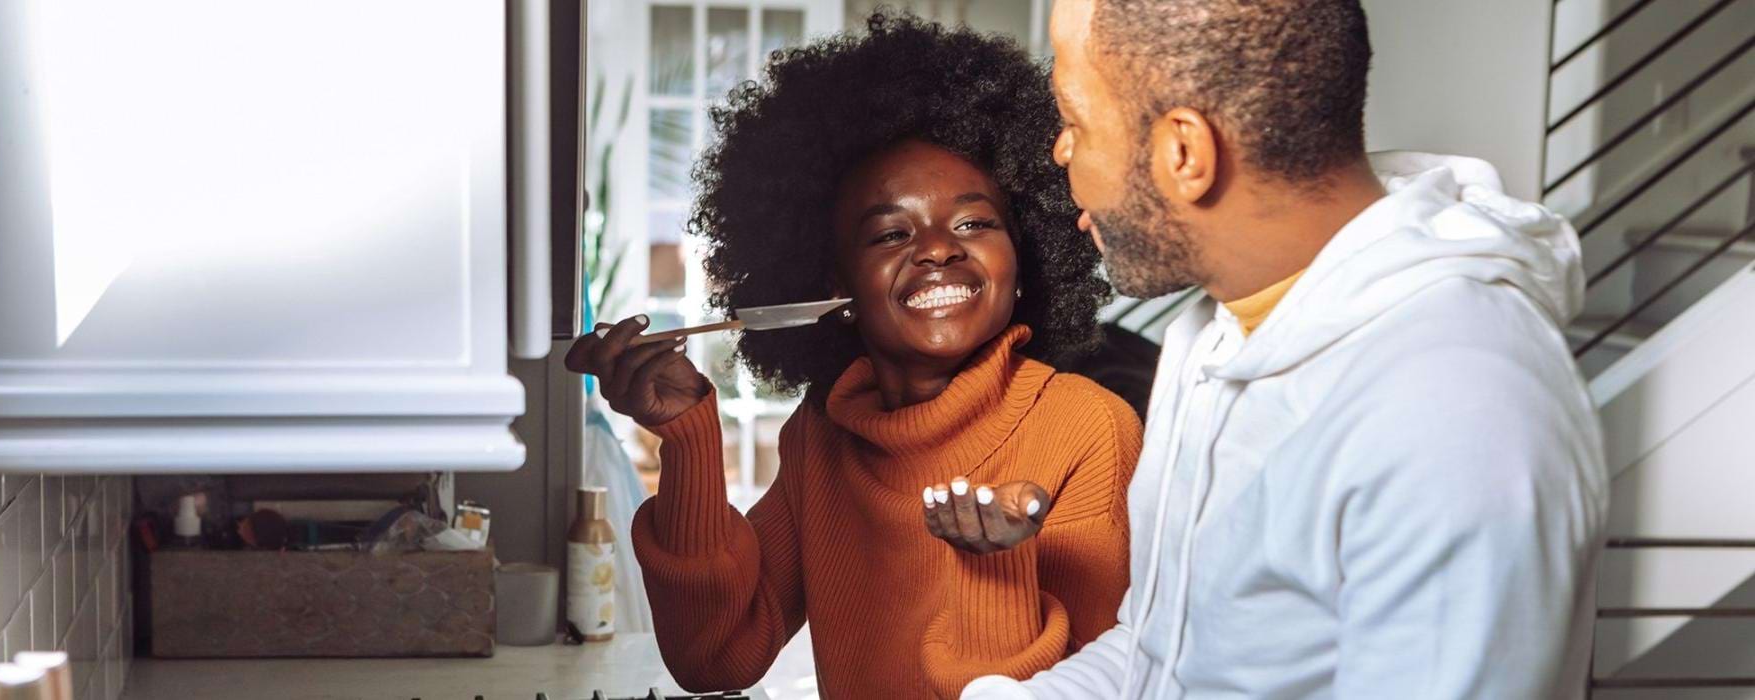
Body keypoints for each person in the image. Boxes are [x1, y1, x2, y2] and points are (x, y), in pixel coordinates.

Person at [963, 0, 1609, 698]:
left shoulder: (1455, 407)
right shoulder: (1217, 331)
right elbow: (1167, 651)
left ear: (1184, 154)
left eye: (1074, 121)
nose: (1061, 151)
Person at [565, 13, 1140, 698]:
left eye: (974, 223)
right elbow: (716, 658)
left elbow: (1112, 683)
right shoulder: (824, 435)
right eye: (891, 232)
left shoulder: (1087, 428)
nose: (936, 248)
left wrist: (994, 567)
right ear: (835, 286)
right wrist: (687, 438)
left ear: (1023, 259)